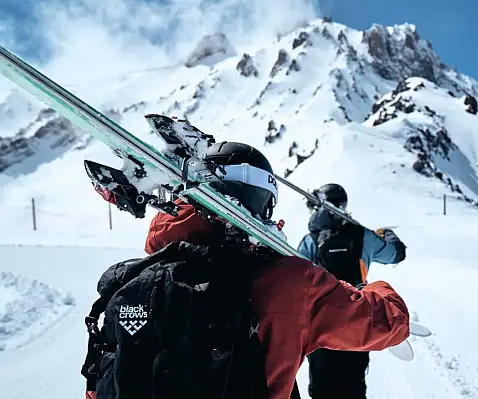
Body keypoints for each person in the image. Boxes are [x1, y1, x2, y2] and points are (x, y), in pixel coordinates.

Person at [81, 142, 410, 399]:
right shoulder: (291, 282)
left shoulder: (131, 281)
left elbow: (101, 382)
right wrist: (378, 289)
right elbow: (385, 322)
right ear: (259, 201)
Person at [297, 183, 407, 399]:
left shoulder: (310, 241)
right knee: (354, 386)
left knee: (321, 389)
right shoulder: (363, 236)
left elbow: (298, 280)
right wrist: (387, 234)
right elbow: (396, 254)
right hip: (358, 320)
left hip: (321, 324)